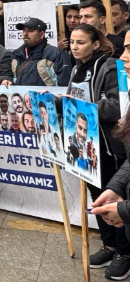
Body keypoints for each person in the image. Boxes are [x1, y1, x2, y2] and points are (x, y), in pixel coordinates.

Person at [64, 24, 129, 278]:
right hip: (87, 148)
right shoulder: (76, 68)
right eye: (72, 42)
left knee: (113, 200)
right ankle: (109, 245)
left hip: (109, 148)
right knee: (97, 199)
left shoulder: (109, 67)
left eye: (81, 42)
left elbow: (116, 106)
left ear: (96, 44)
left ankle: (124, 252)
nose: (75, 47)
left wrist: (80, 107)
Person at [6, 18, 71, 87]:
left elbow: (65, 86)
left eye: (30, 31)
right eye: (24, 30)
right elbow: (10, 77)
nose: (25, 34)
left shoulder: (56, 55)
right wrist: (8, 81)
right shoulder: (16, 55)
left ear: (41, 34)